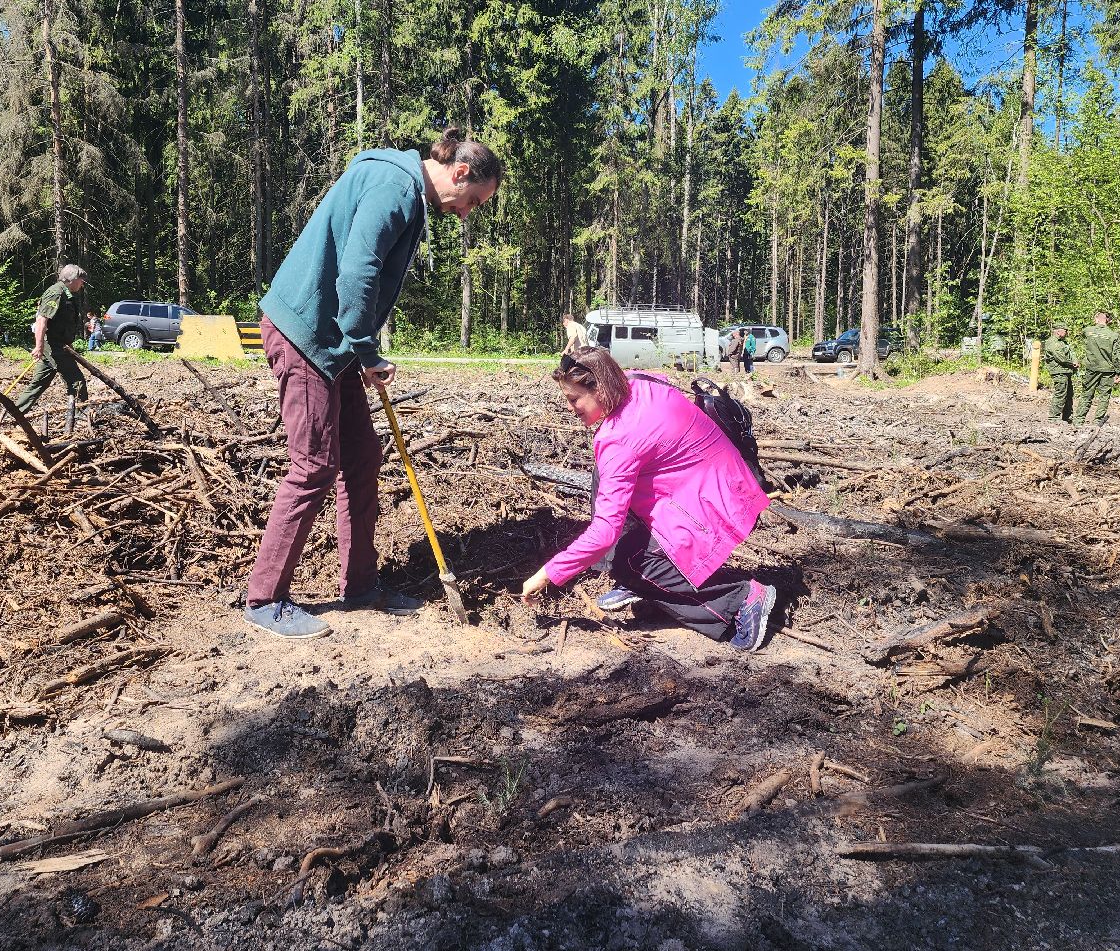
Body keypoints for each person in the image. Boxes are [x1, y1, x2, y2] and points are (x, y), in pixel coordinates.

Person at [244, 128, 504, 640]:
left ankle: (361, 584)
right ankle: (265, 597)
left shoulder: (403, 185)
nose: (469, 212)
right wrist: (366, 349)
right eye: (473, 199)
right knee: (314, 465)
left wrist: (358, 348)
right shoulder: (394, 187)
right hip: (307, 333)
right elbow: (358, 273)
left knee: (362, 458)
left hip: (332, 339)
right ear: (459, 173)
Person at [521, 347, 777, 653]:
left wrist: (547, 573)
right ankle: (644, 585)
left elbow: (604, 532)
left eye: (574, 399)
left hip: (718, 503)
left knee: (629, 560)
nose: (570, 407)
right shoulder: (635, 383)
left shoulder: (619, 440)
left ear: (599, 389)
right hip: (716, 480)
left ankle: (741, 598)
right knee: (606, 479)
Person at [16, 264, 90, 415]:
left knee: (38, 383)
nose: (82, 284)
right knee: (76, 381)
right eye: (81, 281)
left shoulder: (66, 293)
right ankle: (82, 415)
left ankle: (15, 412)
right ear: (73, 279)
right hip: (53, 347)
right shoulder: (56, 293)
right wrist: (38, 346)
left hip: (60, 346)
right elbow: (42, 321)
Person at [1072, 310, 1119, 427]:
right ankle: (1097, 421)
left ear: (1096, 319)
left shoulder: (1088, 331)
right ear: (1108, 321)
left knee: (1087, 394)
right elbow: (1116, 355)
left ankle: (1078, 421)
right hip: (1108, 370)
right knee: (1104, 396)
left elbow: (1080, 335)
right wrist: (1118, 373)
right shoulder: (1114, 335)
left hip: (1091, 368)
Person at [1041, 321, 1077, 423]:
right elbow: (1060, 358)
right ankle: (1053, 418)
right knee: (1060, 393)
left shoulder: (1063, 342)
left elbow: (1070, 352)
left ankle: (1067, 416)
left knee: (1069, 394)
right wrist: (1072, 363)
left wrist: (1074, 362)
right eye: (1065, 330)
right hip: (1059, 371)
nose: (1066, 332)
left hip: (1065, 371)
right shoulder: (1052, 342)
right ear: (1058, 331)